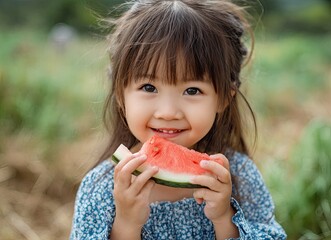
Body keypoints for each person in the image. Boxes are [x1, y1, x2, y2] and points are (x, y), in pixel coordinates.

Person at [70, 0, 287, 239]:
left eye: (192, 90)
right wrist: (126, 224)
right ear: (121, 95)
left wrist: (225, 219)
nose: (168, 112)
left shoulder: (240, 175)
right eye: (149, 87)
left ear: (224, 98)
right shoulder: (100, 188)